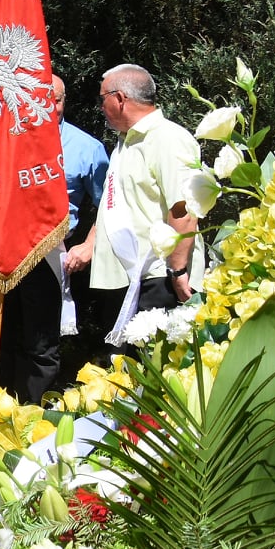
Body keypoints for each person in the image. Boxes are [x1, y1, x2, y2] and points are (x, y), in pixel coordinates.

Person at [0, 73, 110, 401]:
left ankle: (33, 412)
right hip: (6, 252)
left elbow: (110, 205)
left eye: (55, 99)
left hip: (52, 256)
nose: (50, 106)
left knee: (42, 343)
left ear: (64, 100)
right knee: (3, 335)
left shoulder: (88, 148)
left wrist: (89, 244)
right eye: (42, 99)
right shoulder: (7, 143)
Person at [81, 63, 206, 350]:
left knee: (157, 372)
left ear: (120, 98)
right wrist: (90, 244)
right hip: (129, 279)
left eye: (102, 99)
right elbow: (119, 205)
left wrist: (177, 271)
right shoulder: (126, 142)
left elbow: (183, 208)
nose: (100, 107)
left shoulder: (167, 138)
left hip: (159, 279)